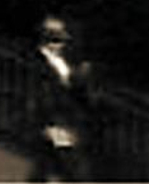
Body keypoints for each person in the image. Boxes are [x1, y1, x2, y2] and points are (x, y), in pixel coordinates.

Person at [30, 15, 95, 182]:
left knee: (48, 165)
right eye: (56, 37)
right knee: (72, 168)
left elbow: (79, 92)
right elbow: (45, 94)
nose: (62, 43)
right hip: (56, 122)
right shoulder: (43, 62)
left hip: (63, 122)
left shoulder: (64, 62)